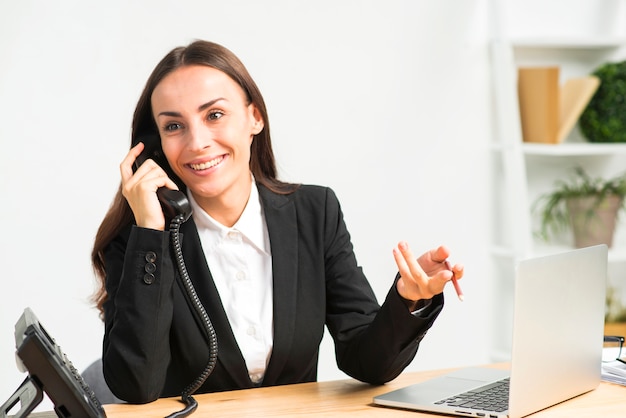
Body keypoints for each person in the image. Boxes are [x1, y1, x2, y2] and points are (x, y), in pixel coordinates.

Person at [91, 40, 464, 404]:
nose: (197, 141)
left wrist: (408, 299)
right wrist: (150, 235)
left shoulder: (315, 212)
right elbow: (136, 386)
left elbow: (365, 360)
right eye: (174, 127)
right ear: (153, 146)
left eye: (214, 115)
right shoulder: (141, 242)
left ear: (255, 118)